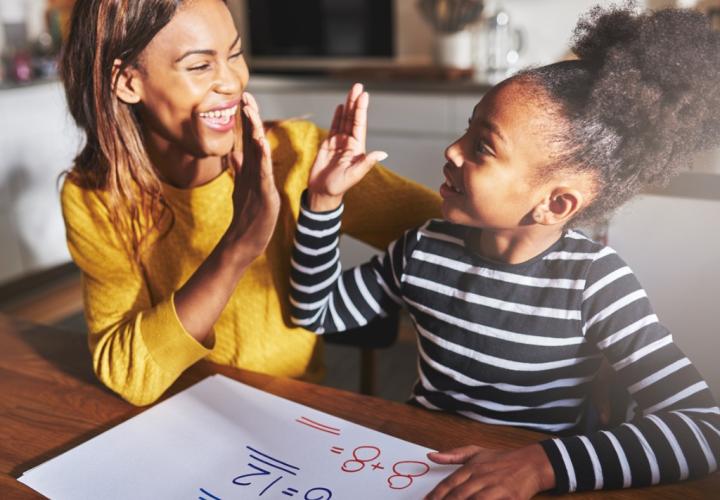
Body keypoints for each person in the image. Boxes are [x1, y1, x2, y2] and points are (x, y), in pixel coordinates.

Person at [289, 4, 720, 498]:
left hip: (532, 479)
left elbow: (704, 429)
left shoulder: (594, 282)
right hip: (420, 462)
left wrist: (539, 466)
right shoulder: (424, 248)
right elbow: (317, 312)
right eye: (467, 130)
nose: (453, 150)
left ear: (555, 203)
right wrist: (324, 201)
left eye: (483, 147)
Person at [58, 0, 440, 406]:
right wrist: (237, 247)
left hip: (293, 408)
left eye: (235, 54)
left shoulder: (299, 155)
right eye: (200, 66)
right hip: (174, 410)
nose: (232, 81)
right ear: (127, 81)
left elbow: (460, 235)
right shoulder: (96, 196)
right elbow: (128, 373)